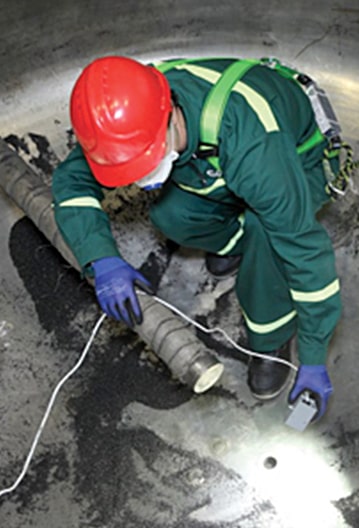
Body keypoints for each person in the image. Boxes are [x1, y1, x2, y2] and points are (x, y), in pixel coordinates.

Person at [52, 55, 344, 421]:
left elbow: (306, 254)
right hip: (217, 158)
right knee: (170, 214)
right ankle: (236, 242)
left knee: (268, 236)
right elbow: (71, 182)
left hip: (296, 161)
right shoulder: (128, 115)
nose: (139, 179)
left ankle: (271, 338)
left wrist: (315, 357)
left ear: (171, 115)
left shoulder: (257, 150)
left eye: (145, 161)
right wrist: (100, 257)